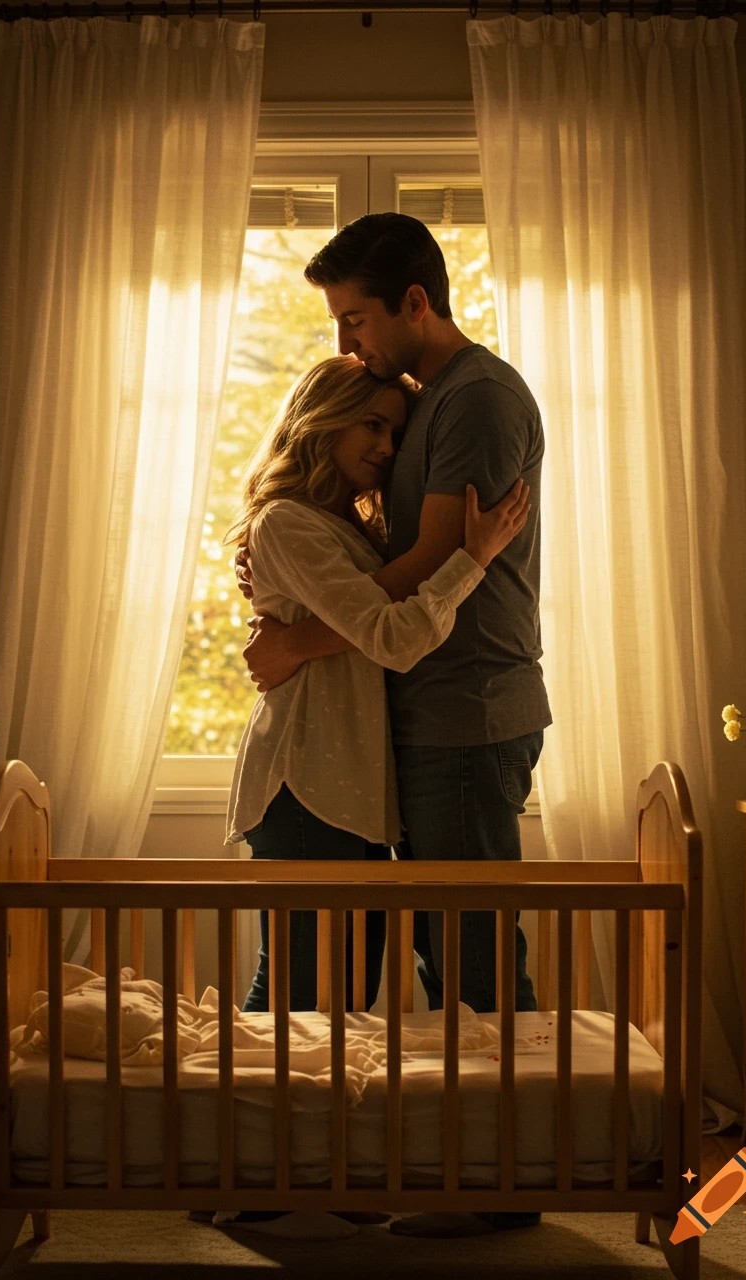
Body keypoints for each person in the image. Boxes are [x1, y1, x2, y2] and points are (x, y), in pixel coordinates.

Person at [238, 213, 551, 1238]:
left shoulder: (472, 398)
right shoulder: (424, 402)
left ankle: (496, 1173)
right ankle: (342, 1159)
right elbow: (371, 585)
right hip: (417, 715)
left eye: (357, 317)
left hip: (462, 709)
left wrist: (305, 635)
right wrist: (307, 609)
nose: (348, 342)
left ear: (413, 303)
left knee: (460, 952)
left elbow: (424, 560)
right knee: (416, 958)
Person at [224, 353, 530, 1016]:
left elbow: (361, 626)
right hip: (306, 781)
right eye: (371, 426)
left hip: (352, 788)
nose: (387, 449)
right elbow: (391, 638)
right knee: (304, 998)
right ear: (322, 420)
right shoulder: (285, 522)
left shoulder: (349, 529)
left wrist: (296, 643)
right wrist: (471, 559)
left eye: (395, 434)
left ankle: (291, 1115)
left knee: (339, 1001)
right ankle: (229, 1110)